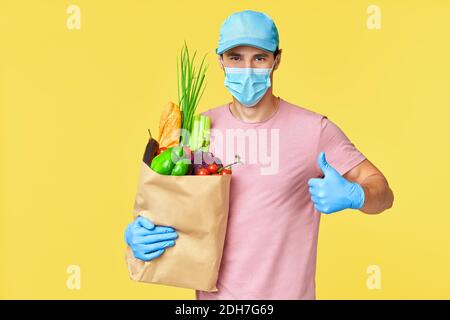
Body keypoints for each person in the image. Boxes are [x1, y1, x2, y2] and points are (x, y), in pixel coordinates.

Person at [124, 10, 394, 299]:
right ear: (221, 61)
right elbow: (175, 209)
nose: (247, 69)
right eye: (235, 58)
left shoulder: (314, 131)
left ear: (277, 60)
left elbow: (384, 194)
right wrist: (139, 233)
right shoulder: (197, 130)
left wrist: (357, 195)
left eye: (260, 58)